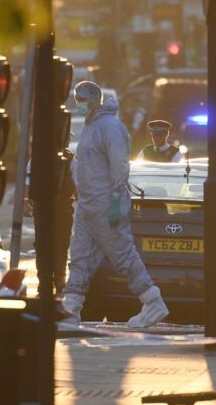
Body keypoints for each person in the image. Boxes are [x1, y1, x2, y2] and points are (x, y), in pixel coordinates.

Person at [61, 80, 169, 327]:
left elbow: (119, 167)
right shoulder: (91, 127)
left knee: (122, 255)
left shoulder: (110, 127)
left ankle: (153, 301)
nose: (78, 105)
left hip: (104, 204)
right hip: (88, 205)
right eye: (76, 100)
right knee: (79, 257)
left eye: (81, 101)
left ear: (94, 101)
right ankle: (71, 308)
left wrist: (115, 202)